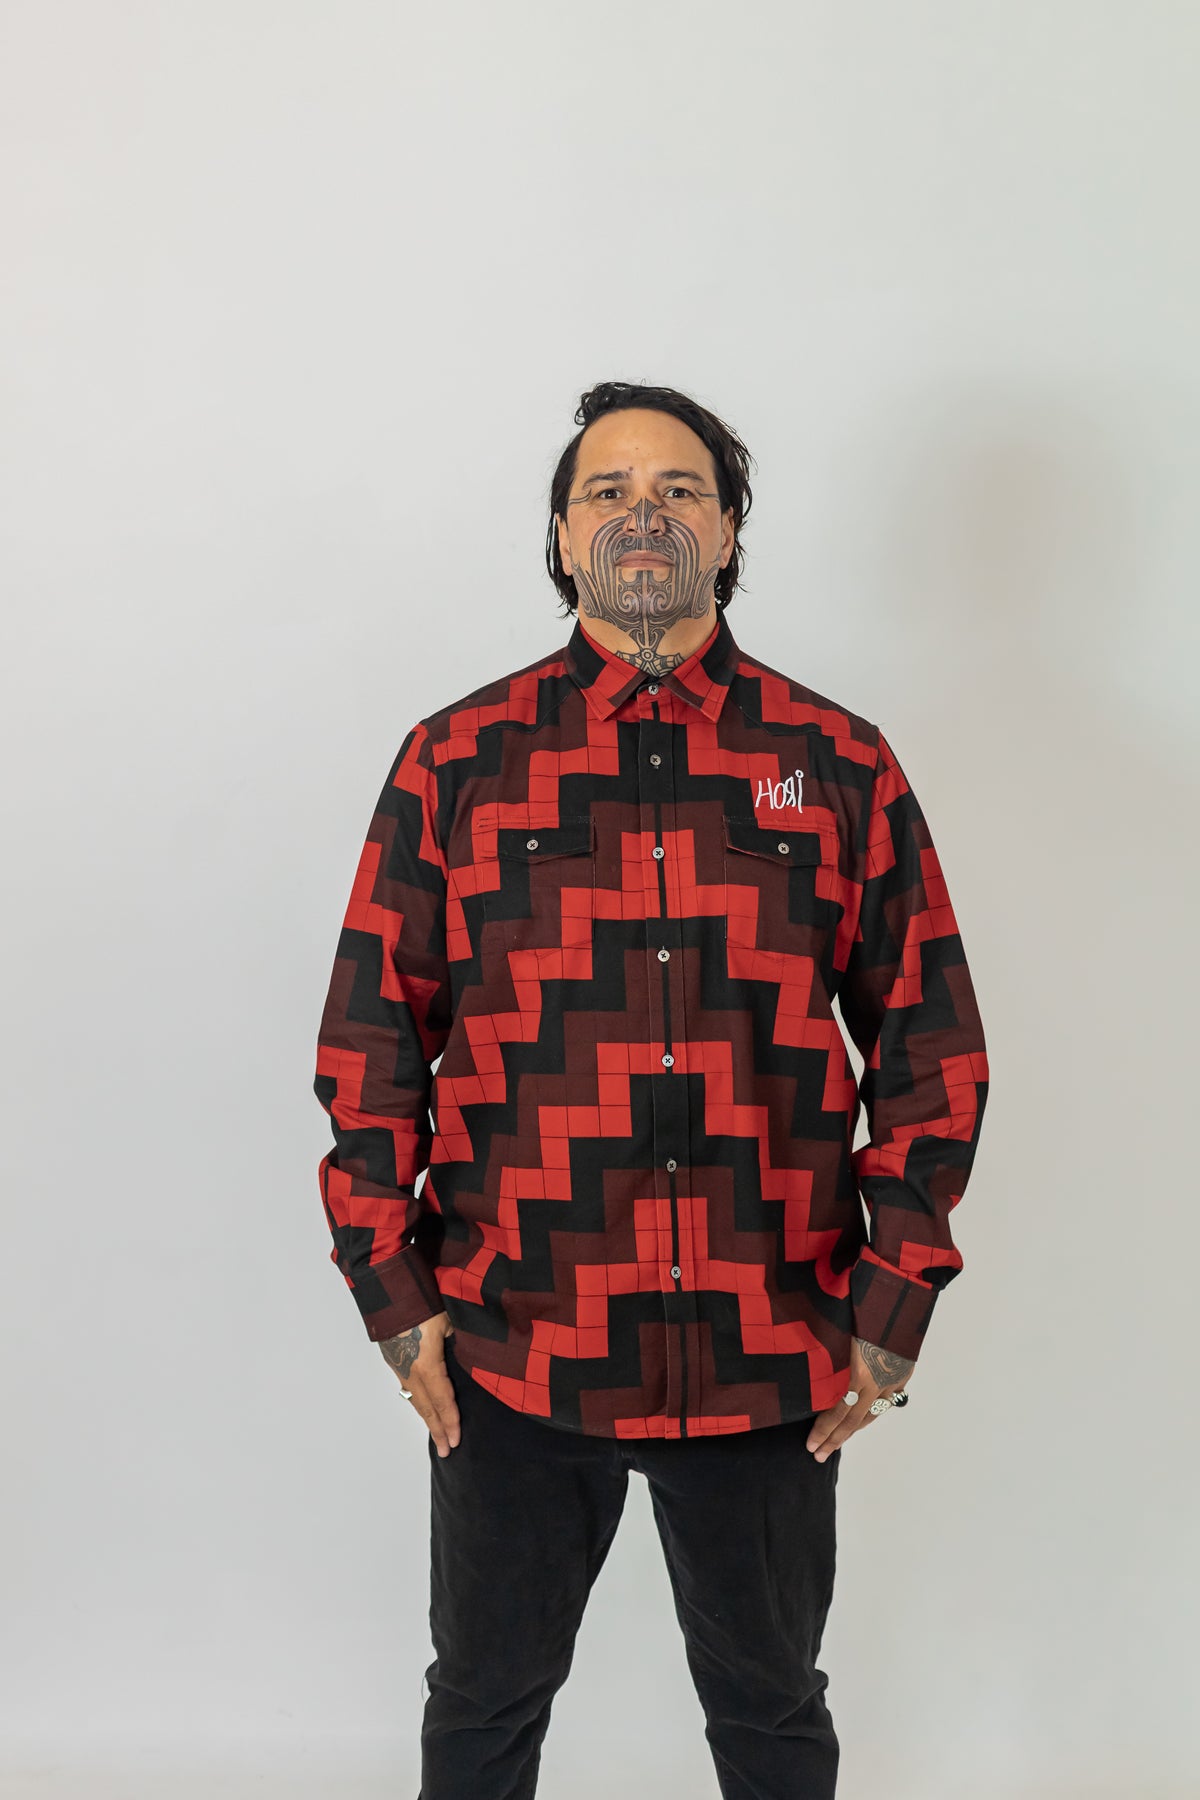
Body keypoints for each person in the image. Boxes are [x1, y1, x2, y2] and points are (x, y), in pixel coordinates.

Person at [312, 379, 990, 1799]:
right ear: (562, 536)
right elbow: (373, 1038)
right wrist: (392, 1291)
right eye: (607, 491)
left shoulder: (837, 761)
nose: (643, 515)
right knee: (482, 1707)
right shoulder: (456, 761)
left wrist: (892, 1303)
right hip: (515, 1341)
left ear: (729, 530)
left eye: (680, 489)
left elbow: (929, 1046)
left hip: (771, 1345)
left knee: (772, 1712)